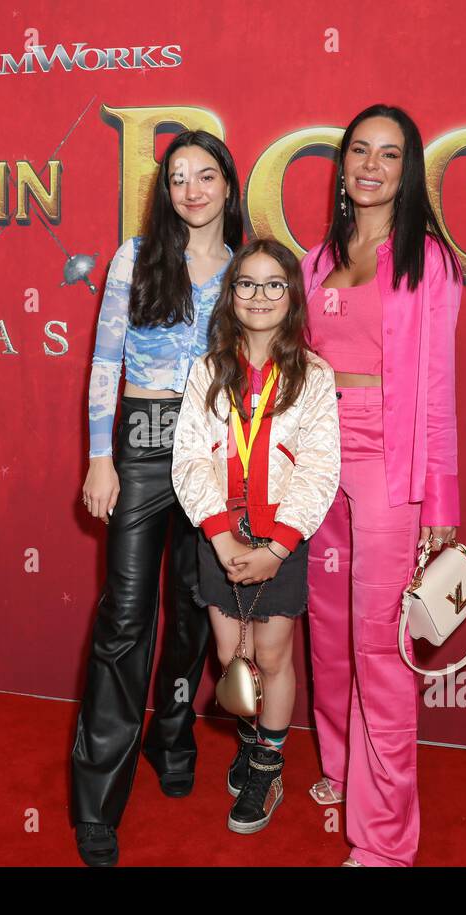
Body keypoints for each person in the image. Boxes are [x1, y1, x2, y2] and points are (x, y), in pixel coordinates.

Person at [70, 130, 244, 867]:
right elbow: (106, 356)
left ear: (229, 187)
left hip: (212, 448)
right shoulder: (134, 259)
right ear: (165, 189)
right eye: (179, 178)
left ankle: (170, 732)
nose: (193, 190)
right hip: (141, 440)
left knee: (194, 616)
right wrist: (100, 458)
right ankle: (95, 802)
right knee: (125, 616)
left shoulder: (248, 270)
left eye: (207, 176)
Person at [301, 103, 466, 866]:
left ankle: (386, 842)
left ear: (409, 171)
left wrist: (442, 500)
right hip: (314, 452)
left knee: (380, 646)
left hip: (386, 457)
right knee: (326, 632)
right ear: (342, 165)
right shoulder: (315, 258)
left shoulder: (426, 259)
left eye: (389, 155)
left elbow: (437, 385)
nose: (370, 165)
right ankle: (340, 765)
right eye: (359, 151)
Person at [171, 237, 341, 834]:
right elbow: (189, 459)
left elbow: (320, 467)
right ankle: (250, 737)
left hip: (280, 541)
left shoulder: (314, 376)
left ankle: (267, 761)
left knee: (272, 655)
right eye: (247, 283)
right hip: (219, 537)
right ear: (231, 294)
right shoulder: (208, 370)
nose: (261, 295)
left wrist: (274, 549)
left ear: (292, 296)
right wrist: (221, 540)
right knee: (230, 656)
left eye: (275, 284)